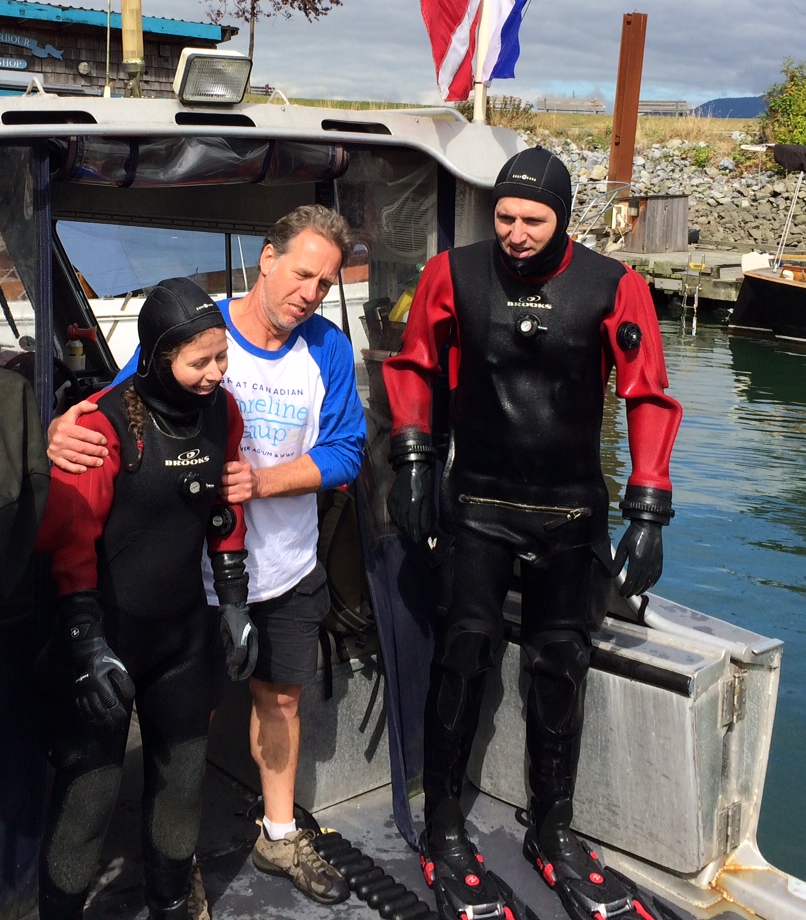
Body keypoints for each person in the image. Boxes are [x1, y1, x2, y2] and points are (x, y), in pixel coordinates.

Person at [381, 148, 683, 920]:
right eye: (505, 217)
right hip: (477, 501)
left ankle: (551, 830)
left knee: (559, 666)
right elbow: (413, 365)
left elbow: (647, 395)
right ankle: (443, 823)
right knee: (463, 653)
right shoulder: (453, 273)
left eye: (532, 219)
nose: (515, 233)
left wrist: (649, 509)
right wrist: (414, 461)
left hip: (570, 509)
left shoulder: (615, 286)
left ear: (564, 218)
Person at [47, 205, 363, 906]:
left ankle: (277, 835)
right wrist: (62, 428)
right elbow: (123, 404)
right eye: (303, 273)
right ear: (268, 258)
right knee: (191, 719)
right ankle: (176, 854)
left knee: (280, 697)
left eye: (325, 282)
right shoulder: (194, 326)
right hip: (183, 577)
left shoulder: (328, 350)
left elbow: (348, 451)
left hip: (281, 562)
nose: (310, 293)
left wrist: (266, 481)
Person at [35, 279, 258, 920]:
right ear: (160, 358)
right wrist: (86, 640)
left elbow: (222, 510)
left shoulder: (225, 412)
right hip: (108, 636)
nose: (216, 372)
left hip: (182, 637)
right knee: (89, 798)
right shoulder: (102, 425)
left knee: (183, 782)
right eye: (200, 362)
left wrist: (236, 602)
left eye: (223, 356)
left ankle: (168, 903)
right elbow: (73, 541)